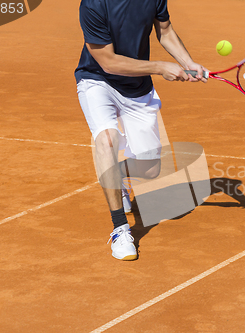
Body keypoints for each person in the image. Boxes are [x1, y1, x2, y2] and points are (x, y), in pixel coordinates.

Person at [75, 0, 207, 261]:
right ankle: (120, 229)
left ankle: (118, 177)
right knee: (107, 140)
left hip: (137, 89)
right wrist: (159, 67)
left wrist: (188, 62)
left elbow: (165, 30)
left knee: (149, 169)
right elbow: (108, 63)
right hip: (97, 80)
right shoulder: (93, 3)